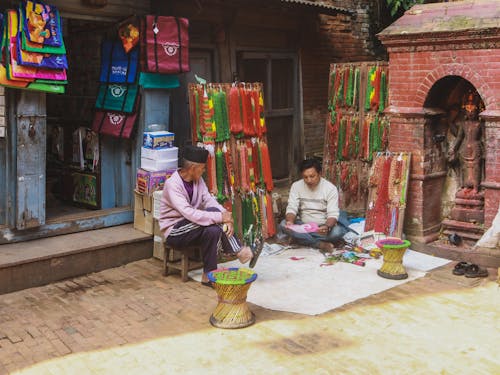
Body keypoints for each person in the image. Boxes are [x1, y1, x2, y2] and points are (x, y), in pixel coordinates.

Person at [159, 145, 257, 287]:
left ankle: (208, 275)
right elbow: (189, 213)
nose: (204, 171)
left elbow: (209, 200)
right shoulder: (172, 185)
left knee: (214, 230)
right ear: (193, 168)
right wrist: (220, 217)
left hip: (193, 227)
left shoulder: (198, 180)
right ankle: (239, 251)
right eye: (203, 168)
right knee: (213, 217)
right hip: (175, 231)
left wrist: (226, 216)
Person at [279, 158, 348, 252]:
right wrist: (290, 221)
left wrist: (327, 226)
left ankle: (302, 239)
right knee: (283, 224)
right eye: (305, 177)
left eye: (312, 176)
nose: (309, 180)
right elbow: (292, 207)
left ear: (320, 174)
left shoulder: (330, 188)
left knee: (337, 232)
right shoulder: (296, 186)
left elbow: (333, 214)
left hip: (321, 228)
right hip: (303, 226)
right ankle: (319, 244)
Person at [447, 92, 484, 193]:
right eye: (468, 110)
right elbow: (459, 138)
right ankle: (465, 185)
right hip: (464, 148)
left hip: (476, 148)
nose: (471, 113)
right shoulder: (463, 124)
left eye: (473, 110)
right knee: (464, 167)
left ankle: (476, 187)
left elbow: (484, 138)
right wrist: (453, 149)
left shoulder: (479, 124)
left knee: (476, 167)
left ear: (477, 111)